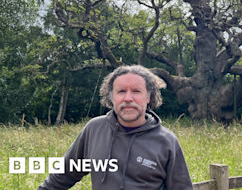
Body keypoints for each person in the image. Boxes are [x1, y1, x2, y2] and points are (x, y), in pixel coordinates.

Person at [37, 65, 193, 190]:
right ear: (111, 97)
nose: (128, 98)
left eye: (136, 91)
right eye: (121, 91)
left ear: (148, 97)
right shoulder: (94, 129)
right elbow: (61, 177)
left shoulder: (167, 141)